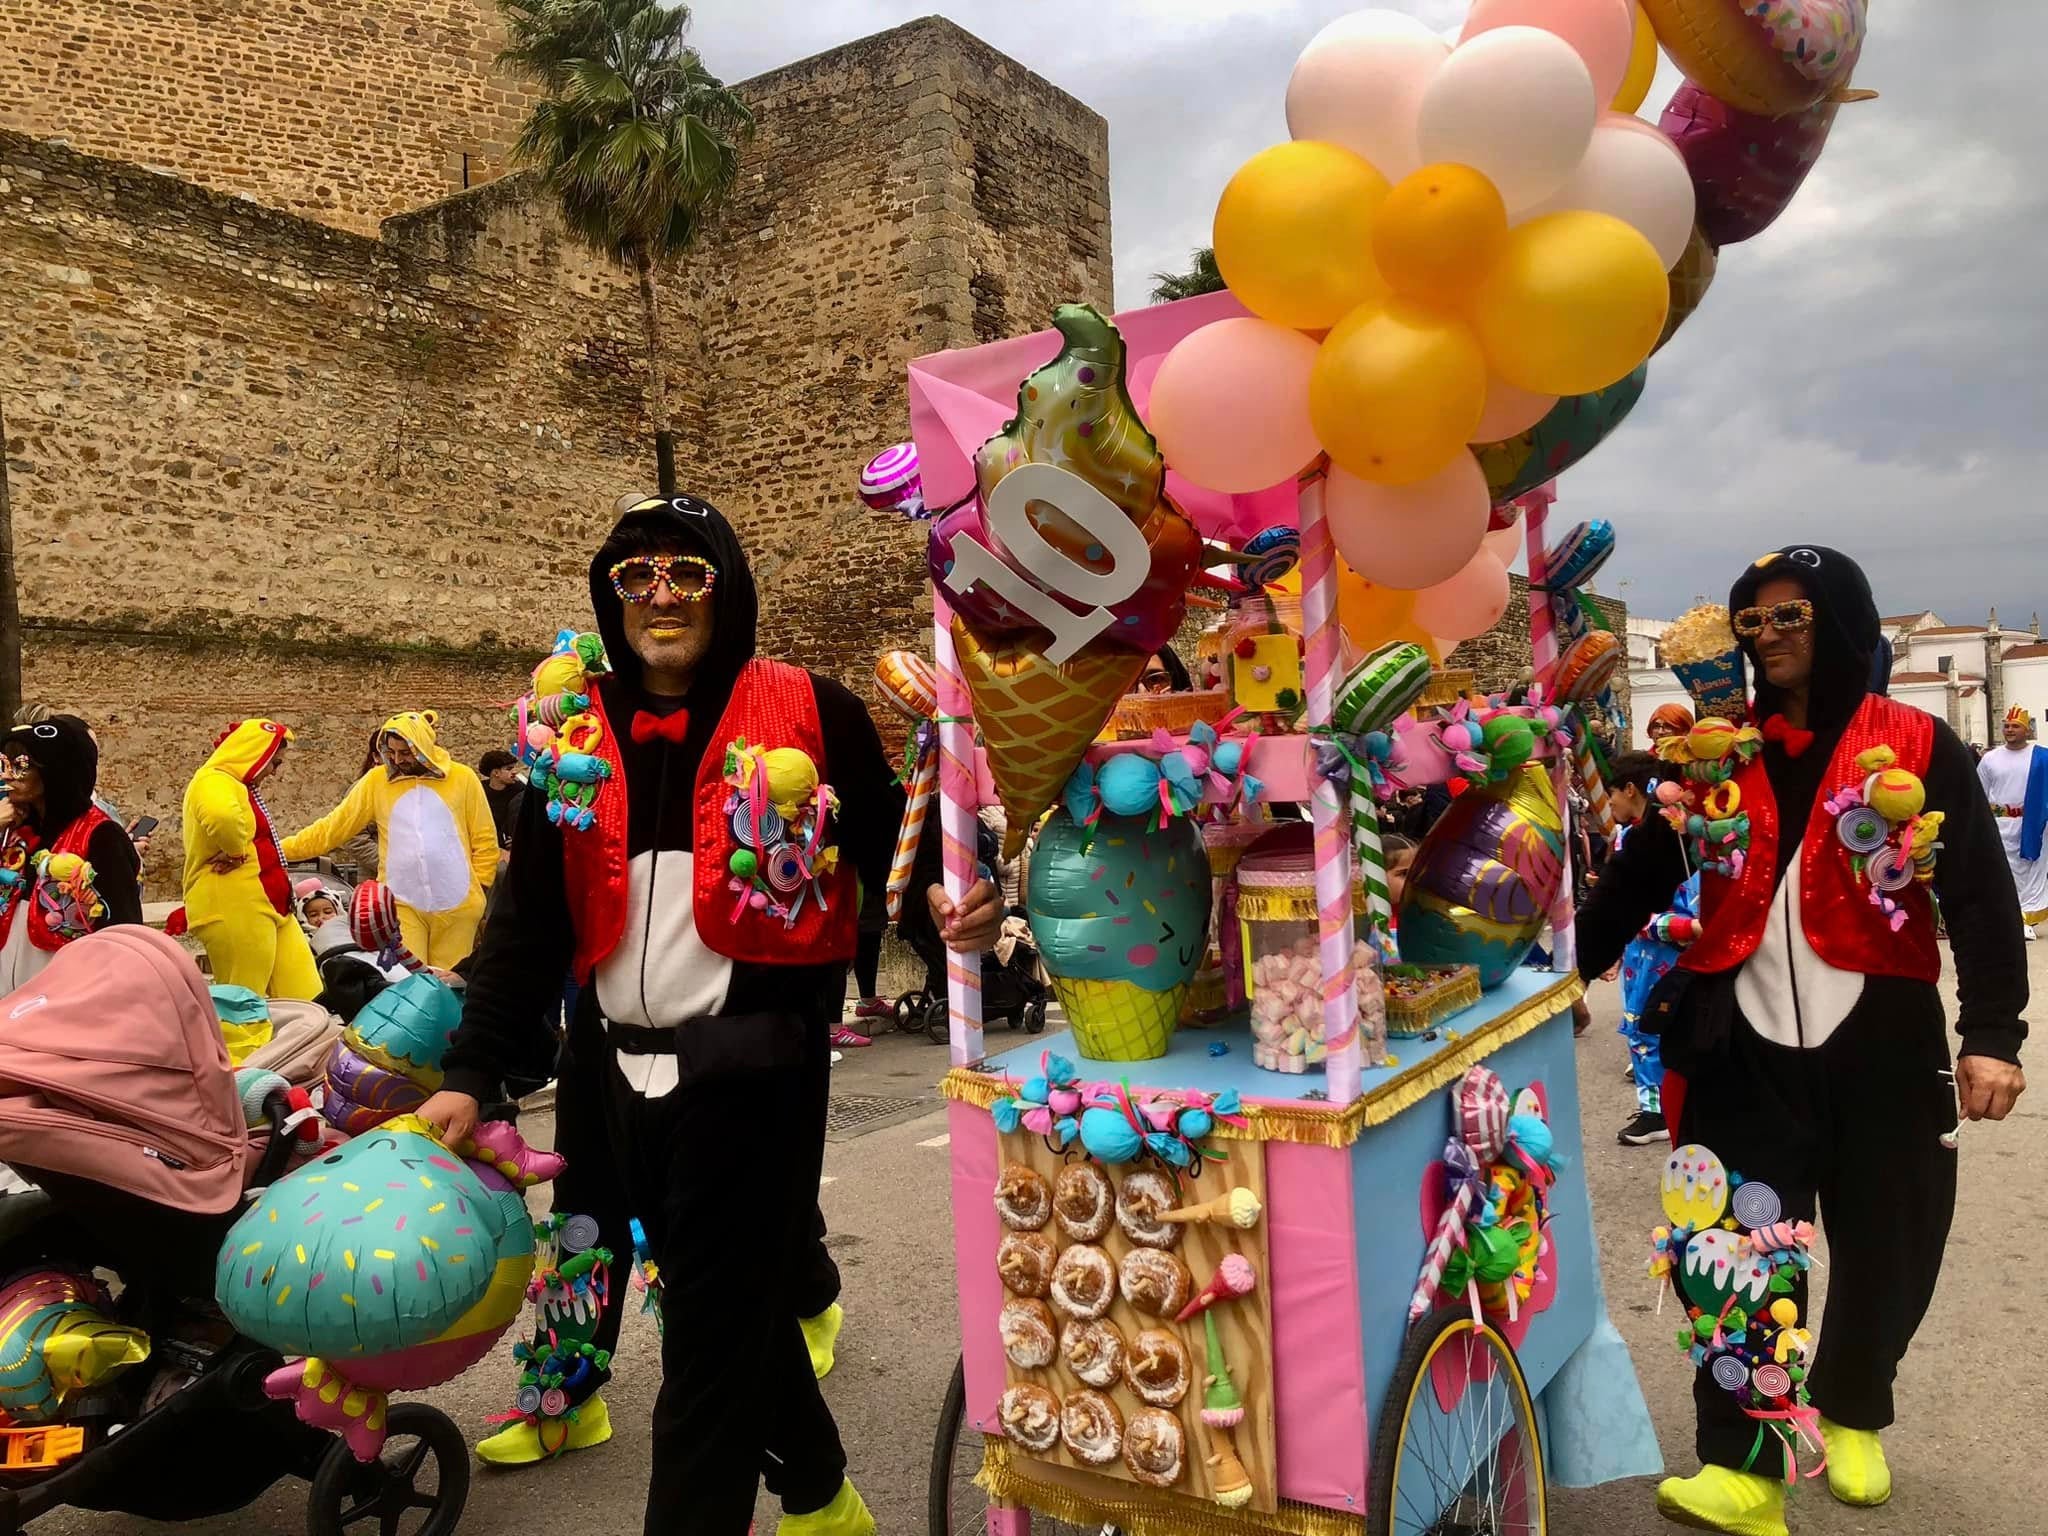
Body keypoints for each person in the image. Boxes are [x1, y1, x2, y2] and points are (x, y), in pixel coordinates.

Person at [415, 492, 1001, 1534]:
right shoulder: (573, 731)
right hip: (602, 1068)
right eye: (634, 576)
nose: (660, 596)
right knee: (594, 1251)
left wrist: (955, 909)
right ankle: (813, 1495)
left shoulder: (812, 708)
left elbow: (894, 855)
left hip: (751, 1072)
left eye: (686, 573)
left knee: (705, 1346)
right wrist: (472, 1070)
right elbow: (529, 919)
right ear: (610, 598)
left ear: (725, 589)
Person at [1573, 545, 2027, 1535]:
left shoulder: (1913, 741)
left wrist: (1991, 1031)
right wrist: (1566, 966)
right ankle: (1742, 1469)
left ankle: (1852, 1408)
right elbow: (1644, 868)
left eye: (1793, 615)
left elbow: (1981, 898)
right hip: (1735, 1045)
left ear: (1841, 620)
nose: (1771, 636)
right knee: (1728, 1251)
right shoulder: (1715, 747)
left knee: (1888, 1240)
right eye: (1754, 619)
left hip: (1883, 1044)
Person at [282, 712, 497, 969]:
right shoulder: (375, 782)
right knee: (409, 981)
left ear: (423, 747)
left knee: (450, 984)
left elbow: (484, 837)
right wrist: (277, 848)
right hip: (401, 904)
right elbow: (332, 828)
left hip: (458, 905)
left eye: (405, 753)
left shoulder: (463, 778)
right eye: (391, 752)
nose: (397, 759)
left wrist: (480, 887)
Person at [0, 715, 142, 993]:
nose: (7, 775)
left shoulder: (102, 835)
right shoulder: (14, 831)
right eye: (5, 764)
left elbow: (123, 932)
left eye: (21, 766)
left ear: (55, 770)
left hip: (69, 993)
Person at [183, 720, 322, 1001]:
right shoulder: (214, 779)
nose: (274, 772)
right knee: (243, 1001)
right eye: (274, 763)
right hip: (235, 904)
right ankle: (243, 1047)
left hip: (270, 905)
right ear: (255, 755)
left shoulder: (237, 785)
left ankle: (308, 1043)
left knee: (308, 995)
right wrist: (235, 850)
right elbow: (222, 817)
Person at [1601, 751, 1698, 1147]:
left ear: (1630, 790)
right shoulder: (1627, 836)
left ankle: (1664, 1110)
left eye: (1612, 795)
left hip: (1667, 956)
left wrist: (1656, 922)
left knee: (1659, 1034)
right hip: (1640, 958)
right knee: (1640, 1032)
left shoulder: (1676, 837)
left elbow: (1690, 910)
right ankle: (1655, 1108)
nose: (1609, 804)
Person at [1975, 705, 2048, 940]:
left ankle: (2027, 919)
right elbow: (1979, 793)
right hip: (2000, 822)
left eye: (2015, 726)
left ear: (2026, 730)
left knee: (2032, 870)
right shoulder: (1990, 759)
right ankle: (2010, 916)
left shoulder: (2042, 757)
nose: (2009, 730)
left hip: (2033, 822)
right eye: (2006, 725)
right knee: (2006, 871)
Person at [479, 749, 526, 853]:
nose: (514, 772)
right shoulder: (479, 791)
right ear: (496, 773)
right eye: (509, 769)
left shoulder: (520, 790)